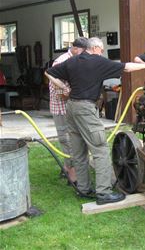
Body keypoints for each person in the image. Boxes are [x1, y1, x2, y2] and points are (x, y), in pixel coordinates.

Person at [46, 37, 145, 205]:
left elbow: (49, 72)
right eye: (101, 50)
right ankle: (104, 193)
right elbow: (127, 67)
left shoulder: (72, 61)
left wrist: (64, 88)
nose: (102, 53)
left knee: (78, 151)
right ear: (95, 48)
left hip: (71, 107)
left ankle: (84, 188)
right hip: (85, 109)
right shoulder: (98, 61)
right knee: (100, 149)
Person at [49, 37, 88, 185]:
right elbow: (58, 90)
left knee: (76, 138)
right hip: (61, 107)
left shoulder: (77, 60)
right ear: (76, 49)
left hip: (73, 105)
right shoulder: (61, 61)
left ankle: (67, 167)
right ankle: (72, 174)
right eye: (83, 52)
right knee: (67, 139)